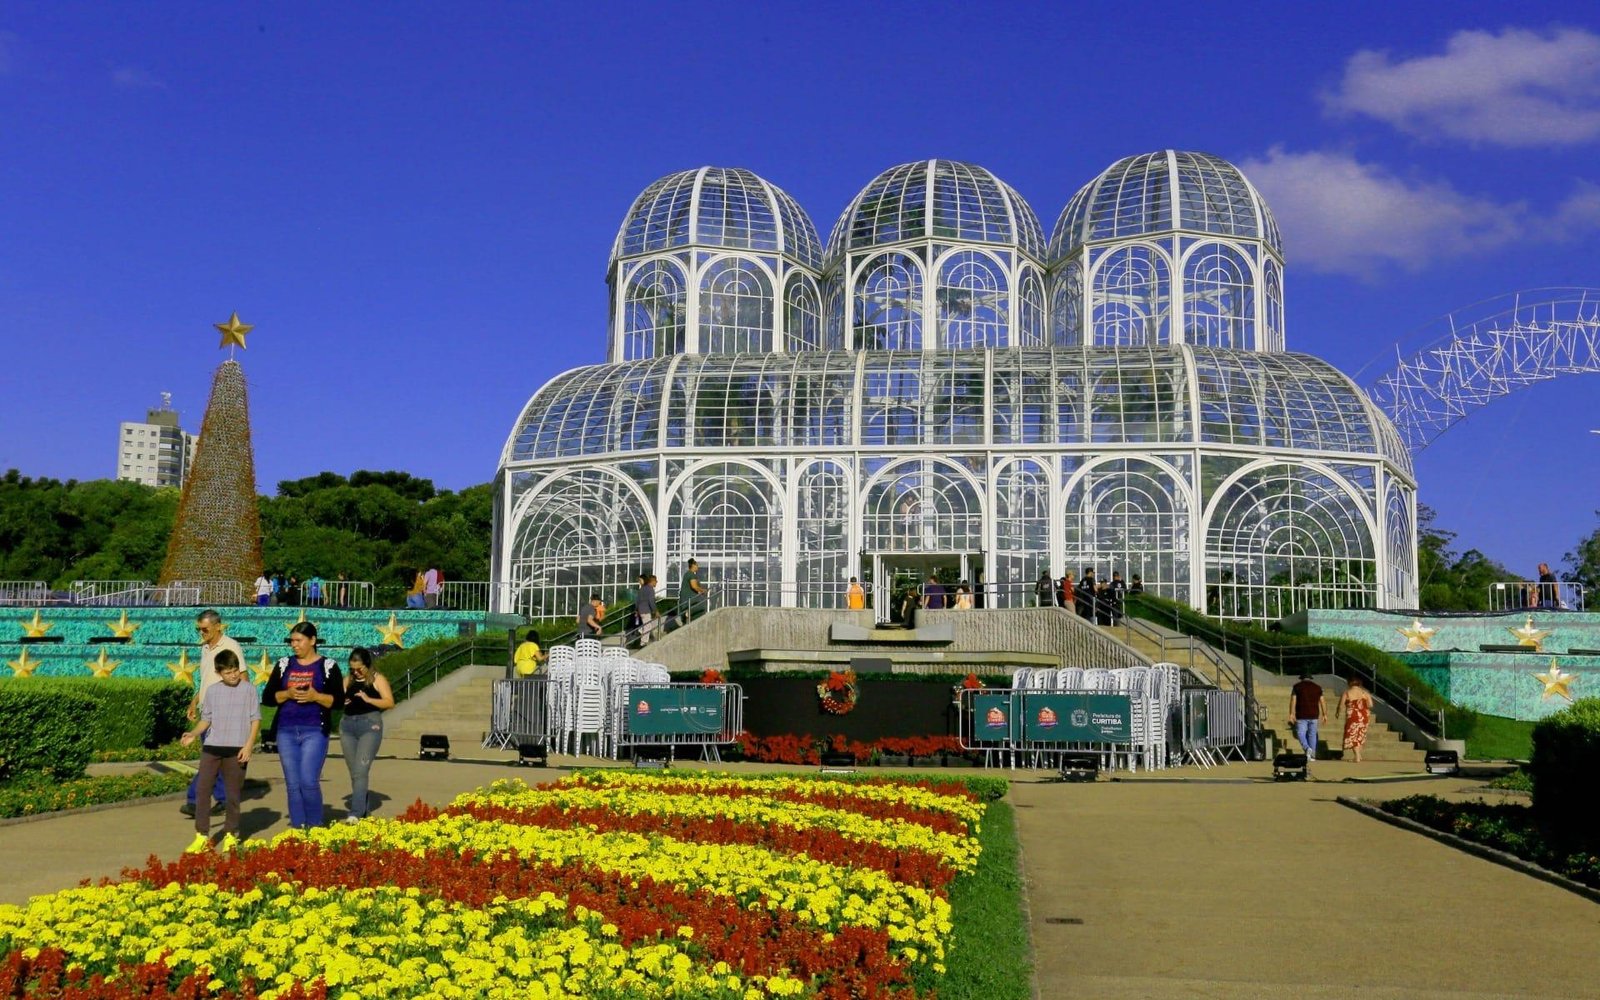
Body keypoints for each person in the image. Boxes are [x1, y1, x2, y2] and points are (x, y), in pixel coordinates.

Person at [262, 621, 344, 830]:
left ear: (312, 641)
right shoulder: (283, 665)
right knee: (292, 783)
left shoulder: (328, 666)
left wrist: (316, 696)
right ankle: (298, 828)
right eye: (292, 641)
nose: (294, 645)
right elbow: (268, 697)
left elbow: (338, 701)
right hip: (286, 730)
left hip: (314, 730)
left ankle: (315, 826)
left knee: (308, 780)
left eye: (298, 641)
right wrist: (287, 694)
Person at [181, 649, 258, 853]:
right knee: (203, 790)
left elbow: (255, 719)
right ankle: (201, 835)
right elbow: (206, 719)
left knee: (232, 794)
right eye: (227, 672)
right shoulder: (212, 691)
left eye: (235, 671)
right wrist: (193, 734)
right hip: (212, 748)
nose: (233, 675)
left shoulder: (249, 690)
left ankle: (231, 834)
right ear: (218, 672)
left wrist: (249, 745)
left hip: (237, 749)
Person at [182, 609, 246, 819]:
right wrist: (194, 702)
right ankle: (222, 798)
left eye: (205, 629)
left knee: (210, 757)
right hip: (207, 710)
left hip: (224, 711)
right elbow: (206, 680)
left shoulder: (230, 646)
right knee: (212, 758)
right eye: (199, 629)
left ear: (218, 626)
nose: (201, 632)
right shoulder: (205, 649)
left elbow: (243, 677)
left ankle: (195, 800)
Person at [339, 646, 393, 822]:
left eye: (359, 668)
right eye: (352, 669)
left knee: (361, 769)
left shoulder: (377, 679)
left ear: (367, 665)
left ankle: (355, 812)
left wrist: (369, 700)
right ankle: (364, 811)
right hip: (347, 726)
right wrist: (342, 700)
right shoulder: (348, 680)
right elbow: (336, 700)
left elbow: (389, 702)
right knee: (354, 771)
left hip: (370, 726)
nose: (356, 672)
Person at [1289, 672, 1326, 766]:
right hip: (1314, 714)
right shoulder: (1317, 687)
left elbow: (1293, 700)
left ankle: (1306, 748)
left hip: (1301, 714)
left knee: (1300, 733)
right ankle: (1312, 755)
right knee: (1312, 735)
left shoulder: (1297, 687)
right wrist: (1325, 714)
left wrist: (1291, 713)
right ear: (1310, 678)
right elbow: (1322, 701)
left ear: (1301, 678)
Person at [1337, 677, 1374, 763]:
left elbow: (1341, 705)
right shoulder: (1365, 692)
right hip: (1364, 715)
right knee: (1360, 735)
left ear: (1349, 683)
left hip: (1353, 716)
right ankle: (1359, 756)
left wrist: (1338, 712)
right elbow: (1370, 705)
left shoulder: (1347, 692)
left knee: (1352, 735)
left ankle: (1357, 756)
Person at [636, 574, 658, 644]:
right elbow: (651, 601)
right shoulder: (650, 589)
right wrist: (655, 611)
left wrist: (636, 610)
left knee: (647, 625)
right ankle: (643, 642)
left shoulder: (641, 589)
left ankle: (640, 630)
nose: (656, 583)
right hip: (646, 610)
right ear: (652, 581)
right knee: (648, 627)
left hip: (640, 610)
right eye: (656, 581)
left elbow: (637, 601)